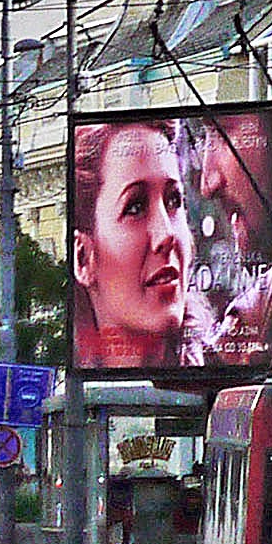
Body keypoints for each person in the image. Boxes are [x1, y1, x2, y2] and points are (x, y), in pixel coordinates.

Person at [70, 119, 195, 376]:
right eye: (135, 207)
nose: (167, 235)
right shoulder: (72, 397)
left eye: (174, 200)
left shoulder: (236, 363)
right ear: (83, 258)